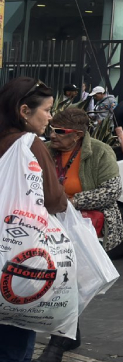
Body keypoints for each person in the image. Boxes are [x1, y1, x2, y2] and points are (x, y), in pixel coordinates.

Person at [37, 107, 123, 362]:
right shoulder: (43, 150)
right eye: (52, 129)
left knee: (69, 282)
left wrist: (68, 201)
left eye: (60, 132)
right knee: (58, 283)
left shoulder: (99, 151)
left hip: (87, 229)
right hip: (49, 227)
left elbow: (111, 191)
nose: (53, 135)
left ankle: (57, 343)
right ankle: (70, 334)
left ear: (77, 135)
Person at [0, 79, 66, 362]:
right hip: (16, 256)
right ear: (24, 111)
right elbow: (54, 200)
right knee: (15, 343)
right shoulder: (28, 144)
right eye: (48, 110)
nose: (50, 117)